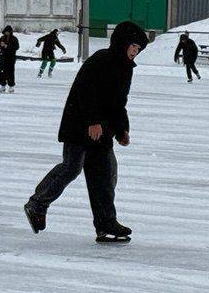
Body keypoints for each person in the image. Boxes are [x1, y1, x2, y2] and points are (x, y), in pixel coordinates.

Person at [23, 20, 149, 243]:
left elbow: (118, 103)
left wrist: (122, 130)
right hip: (79, 125)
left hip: (103, 131)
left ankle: (106, 225)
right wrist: (92, 121)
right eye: (134, 47)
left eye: (138, 49)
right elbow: (85, 91)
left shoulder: (125, 68)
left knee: (105, 174)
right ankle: (37, 204)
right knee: (72, 167)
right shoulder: (101, 60)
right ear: (123, 43)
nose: (135, 52)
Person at [0, 25, 20, 92]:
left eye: (8, 32)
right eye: (5, 32)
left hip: (11, 57)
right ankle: (3, 85)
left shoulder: (14, 39)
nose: (6, 33)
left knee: (10, 72)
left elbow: (16, 47)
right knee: (2, 72)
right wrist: (0, 45)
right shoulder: (2, 38)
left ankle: (11, 86)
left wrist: (6, 46)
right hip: (3, 57)